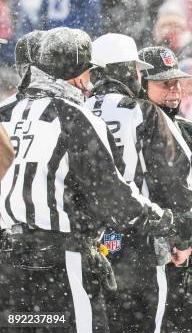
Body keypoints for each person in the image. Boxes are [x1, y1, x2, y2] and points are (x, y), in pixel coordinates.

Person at [0, 27, 173, 332]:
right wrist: (163, 220)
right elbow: (112, 197)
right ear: (79, 76)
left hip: (7, 266)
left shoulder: (5, 114)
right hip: (59, 261)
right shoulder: (76, 117)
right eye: (88, 74)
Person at [86, 35, 192, 333]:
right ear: (127, 71)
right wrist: (182, 236)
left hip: (87, 243)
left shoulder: (76, 109)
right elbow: (172, 179)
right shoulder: (143, 112)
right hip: (138, 240)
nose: (139, 75)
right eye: (137, 69)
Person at [138, 45, 192, 332]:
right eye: (164, 84)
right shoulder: (131, 132)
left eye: (177, 82)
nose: (174, 90)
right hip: (159, 261)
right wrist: (177, 239)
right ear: (141, 83)